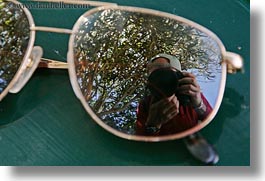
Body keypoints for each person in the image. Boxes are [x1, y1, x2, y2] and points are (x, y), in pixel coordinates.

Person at [136, 53, 212, 135]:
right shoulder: (146, 104)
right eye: (156, 75)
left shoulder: (190, 94)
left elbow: (215, 127)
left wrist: (199, 105)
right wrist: (153, 124)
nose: (162, 80)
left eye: (166, 72)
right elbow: (140, 143)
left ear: (180, 76)